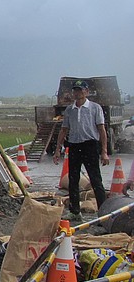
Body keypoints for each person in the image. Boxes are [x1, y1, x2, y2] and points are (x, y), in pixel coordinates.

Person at [52, 79, 109, 219]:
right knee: (73, 179)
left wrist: (104, 151)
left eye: (81, 90)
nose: (78, 93)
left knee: (95, 180)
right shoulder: (69, 110)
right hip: (74, 146)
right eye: (75, 90)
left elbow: (101, 130)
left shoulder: (95, 108)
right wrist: (57, 150)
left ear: (86, 92)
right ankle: (75, 211)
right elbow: (64, 130)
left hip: (90, 145)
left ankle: (103, 213)